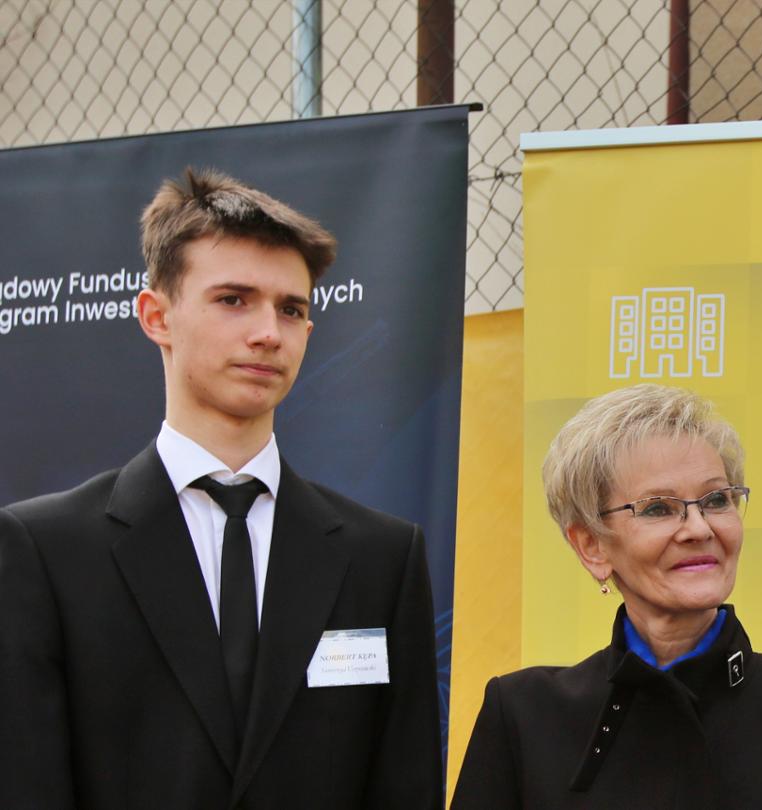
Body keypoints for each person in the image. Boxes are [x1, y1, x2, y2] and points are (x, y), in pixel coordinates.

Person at [0, 168, 442, 807]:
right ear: (157, 316)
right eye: (234, 299)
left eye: (291, 309)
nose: (268, 332)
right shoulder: (46, 550)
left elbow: (405, 786)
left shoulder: (382, 557)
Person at [452, 384, 762, 809]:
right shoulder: (523, 715)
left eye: (717, 500)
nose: (699, 528)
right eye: (658, 508)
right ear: (591, 546)